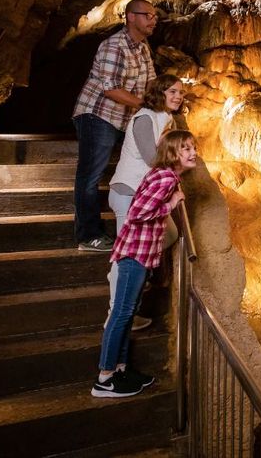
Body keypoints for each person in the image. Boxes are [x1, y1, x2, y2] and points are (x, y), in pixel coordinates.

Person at [91, 130, 198, 398]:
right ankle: (105, 377)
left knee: (127, 314)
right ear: (173, 153)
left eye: (193, 147)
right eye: (186, 149)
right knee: (122, 313)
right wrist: (171, 203)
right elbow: (138, 212)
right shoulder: (165, 177)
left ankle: (121, 368)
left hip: (140, 253)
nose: (193, 152)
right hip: (134, 255)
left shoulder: (165, 175)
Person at [72, 0, 157, 252]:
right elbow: (111, 89)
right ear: (131, 17)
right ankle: (88, 236)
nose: (153, 20)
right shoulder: (113, 46)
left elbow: (151, 80)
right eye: (147, 15)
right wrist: (146, 105)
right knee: (90, 176)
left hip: (121, 118)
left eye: (155, 16)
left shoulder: (143, 47)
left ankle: (135, 225)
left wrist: (162, 99)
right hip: (97, 115)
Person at [106, 74, 185, 331]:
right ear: (159, 93)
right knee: (127, 258)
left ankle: (139, 277)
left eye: (180, 92)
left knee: (170, 233)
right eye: (172, 91)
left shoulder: (164, 119)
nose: (177, 96)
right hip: (129, 192)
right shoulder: (144, 118)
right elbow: (152, 159)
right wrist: (182, 165)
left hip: (143, 195)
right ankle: (116, 315)